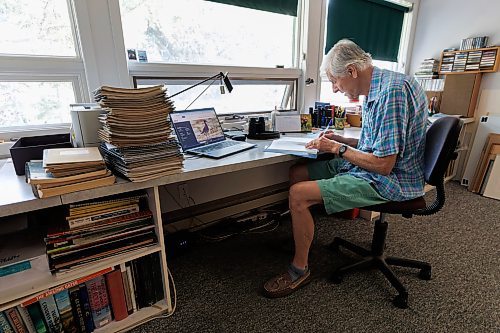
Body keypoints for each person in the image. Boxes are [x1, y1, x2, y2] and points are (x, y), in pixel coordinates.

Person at [262, 39, 428, 298]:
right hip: (374, 167)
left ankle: (299, 270)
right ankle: (302, 238)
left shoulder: (391, 93)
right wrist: (343, 141)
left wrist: (336, 150)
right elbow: (377, 143)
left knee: (298, 194)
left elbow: (384, 165)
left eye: (334, 81)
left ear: (352, 71)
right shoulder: (379, 87)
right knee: (298, 173)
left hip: (391, 180)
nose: (335, 89)